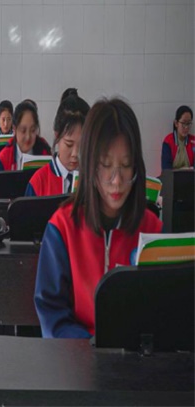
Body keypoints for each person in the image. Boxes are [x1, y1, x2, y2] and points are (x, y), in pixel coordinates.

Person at [34, 98, 163, 338]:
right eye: (106, 165)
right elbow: (52, 316)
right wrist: (93, 348)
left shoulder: (152, 230)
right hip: (75, 355)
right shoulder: (62, 227)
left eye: (126, 165)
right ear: (90, 165)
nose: (117, 180)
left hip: (134, 357)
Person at [26, 90, 90, 196]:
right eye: (69, 144)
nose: (75, 154)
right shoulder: (38, 183)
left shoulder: (93, 180)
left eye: (83, 146)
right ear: (57, 135)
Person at [0, 100, 51, 198]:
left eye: (33, 130)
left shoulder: (44, 152)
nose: (28, 137)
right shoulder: (3, 158)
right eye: (23, 131)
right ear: (14, 129)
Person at [161, 105, 194, 170]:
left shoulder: (193, 141)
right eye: (183, 123)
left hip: (190, 176)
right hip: (172, 176)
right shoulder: (168, 141)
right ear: (176, 123)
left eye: (188, 123)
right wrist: (185, 169)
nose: (186, 127)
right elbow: (166, 169)